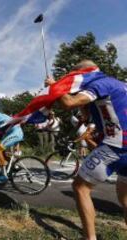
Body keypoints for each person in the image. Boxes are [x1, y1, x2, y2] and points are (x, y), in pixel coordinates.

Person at [54, 60, 127, 240]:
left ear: (82, 73)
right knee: (125, 198)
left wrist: (56, 88)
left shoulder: (98, 84)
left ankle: (89, 238)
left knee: (80, 187)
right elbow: (87, 114)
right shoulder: (119, 84)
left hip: (116, 145)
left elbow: (69, 103)